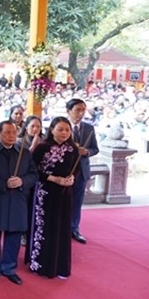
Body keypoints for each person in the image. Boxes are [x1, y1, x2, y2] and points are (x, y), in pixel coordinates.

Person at [0, 121, 37, 286]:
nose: (12, 136)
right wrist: (5, 183)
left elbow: (34, 175)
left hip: (18, 200)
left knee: (14, 237)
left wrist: (21, 181)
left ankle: (9, 268)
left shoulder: (24, 152)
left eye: (14, 132)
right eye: (7, 133)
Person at [27, 116, 78, 279]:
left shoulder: (73, 148)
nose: (64, 133)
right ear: (52, 130)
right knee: (44, 227)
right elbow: (33, 169)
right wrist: (53, 178)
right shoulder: (42, 147)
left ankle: (61, 266)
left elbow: (75, 169)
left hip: (64, 194)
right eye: (60, 129)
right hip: (45, 192)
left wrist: (71, 178)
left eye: (67, 130)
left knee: (62, 227)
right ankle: (40, 264)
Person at [66, 98, 99, 244]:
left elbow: (95, 149)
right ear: (68, 111)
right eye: (77, 110)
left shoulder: (89, 128)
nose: (80, 113)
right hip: (64, 171)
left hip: (82, 171)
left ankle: (74, 228)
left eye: (83, 110)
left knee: (77, 201)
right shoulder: (62, 126)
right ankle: (59, 228)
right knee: (61, 201)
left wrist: (86, 152)